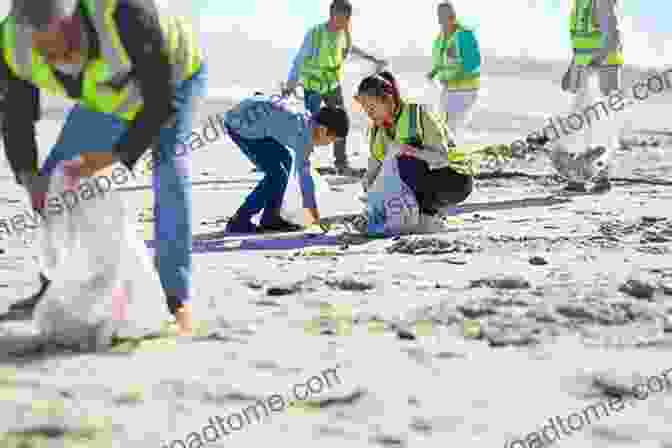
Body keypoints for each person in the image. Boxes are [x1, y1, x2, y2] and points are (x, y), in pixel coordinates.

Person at [0, 0, 207, 336]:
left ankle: (174, 297)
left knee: (169, 172)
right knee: (55, 178)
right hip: (108, 93)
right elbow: (16, 115)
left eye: (65, 40)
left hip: (175, 75)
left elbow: (160, 101)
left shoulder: (125, 11)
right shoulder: (12, 44)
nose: (58, 55)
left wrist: (117, 156)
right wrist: (29, 178)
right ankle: (54, 285)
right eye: (45, 47)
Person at [353, 71, 481, 233]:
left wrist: (408, 149)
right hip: (423, 181)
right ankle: (426, 215)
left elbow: (441, 159)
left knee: (404, 161)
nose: (369, 114)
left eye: (372, 107)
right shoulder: (377, 130)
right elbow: (373, 172)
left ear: (389, 99)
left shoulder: (418, 114)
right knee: (380, 185)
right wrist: (369, 203)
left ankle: (430, 212)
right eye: (365, 109)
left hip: (455, 179)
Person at [282, 0, 387, 176]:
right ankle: (304, 163)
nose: (345, 23)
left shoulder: (343, 33)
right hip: (313, 85)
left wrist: (372, 58)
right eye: (342, 18)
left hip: (332, 85)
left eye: (348, 19)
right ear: (332, 14)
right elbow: (299, 58)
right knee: (311, 125)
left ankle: (341, 163)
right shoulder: (315, 33)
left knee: (341, 122)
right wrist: (291, 82)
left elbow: (350, 49)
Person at [223, 95, 349, 234]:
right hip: (241, 126)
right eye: (331, 140)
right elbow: (305, 181)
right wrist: (315, 215)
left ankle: (270, 218)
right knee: (276, 174)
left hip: (252, 117)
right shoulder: (302, 136)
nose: (328, 144)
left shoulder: (306, 121)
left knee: (286, 161)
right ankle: (240, 220)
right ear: (323, 130)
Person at [550, 0, 623, 193]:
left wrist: (600, 62)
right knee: (582, 123)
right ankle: (581, 176)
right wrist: (572, 68)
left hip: (601, 66)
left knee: (599, 123)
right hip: (586, 65)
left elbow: (612, 32)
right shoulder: (580, 3)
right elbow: (581, 39)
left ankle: (600, 177)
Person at [426, 1, 481, 138]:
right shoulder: (441, 38)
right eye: (440, 16)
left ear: (453, 15)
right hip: (448, 89)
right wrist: (434, 72)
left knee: (452, 126)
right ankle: (449, 152)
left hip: (465, 89)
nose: (442, 20)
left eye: (447, 16)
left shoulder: (464, 35)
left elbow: (474, 62)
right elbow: (442, 62)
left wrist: (457, 76)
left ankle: (454, 153)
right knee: (443, 125)